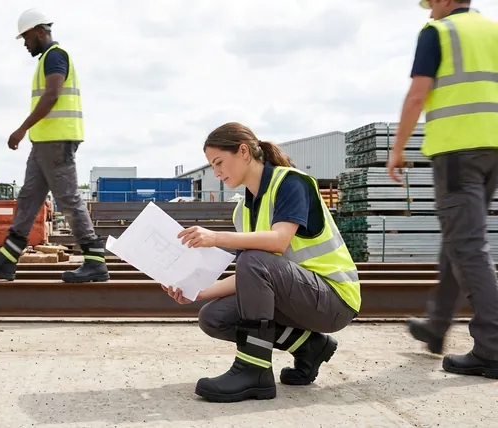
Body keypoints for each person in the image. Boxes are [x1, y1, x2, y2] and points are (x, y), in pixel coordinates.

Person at [162, 122, 361, 402]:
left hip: (333, 299)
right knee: (213, 317)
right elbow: (250, 276)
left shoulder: (292, 182)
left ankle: (254, 369)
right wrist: (197, 293)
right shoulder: (242, 210)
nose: (216, 173)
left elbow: (278, 242)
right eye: (212, 166)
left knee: (254, 258)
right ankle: (309, 347)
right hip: (299, 298)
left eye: (219, 162)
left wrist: (216, 238)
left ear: (243, 152)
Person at [386, 0, 498, 379]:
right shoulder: (493, 29)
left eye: (431, 2)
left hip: (456, 151)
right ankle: (437, 326)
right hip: (492, 149)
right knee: (459, 238)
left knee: (467, 245)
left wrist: (397, 148)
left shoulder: (439, 33)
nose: (428, 10)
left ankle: (493, 347)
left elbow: (418, 94)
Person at [0, 8, 109, 283]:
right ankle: (7, 259)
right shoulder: (47, 58)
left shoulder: (55, 56)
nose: (25, 44)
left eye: (26, 37)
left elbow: (52, 94)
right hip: (44, 143)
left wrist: (21, 129)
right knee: (29, 198)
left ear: (39, 32)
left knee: (68, 199)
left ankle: (95, 261)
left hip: (56, 142)